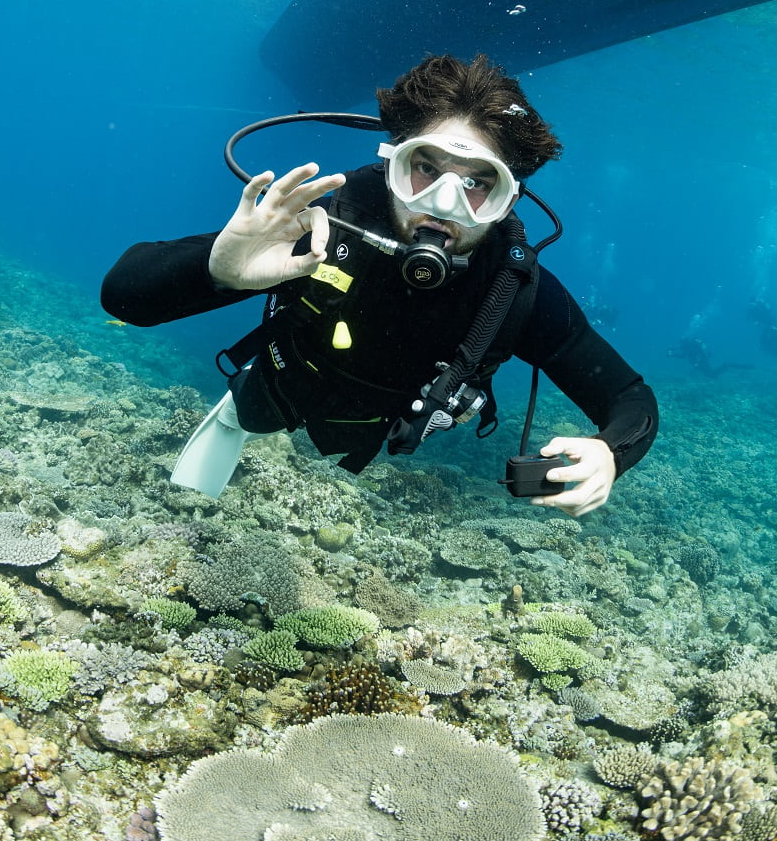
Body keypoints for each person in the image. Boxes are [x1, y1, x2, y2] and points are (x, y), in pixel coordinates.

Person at [101, 54, 658, 516]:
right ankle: (232, 415)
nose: (442, 206)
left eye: (478, 184)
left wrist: (612, 453)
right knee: (249, 414)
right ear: (391, 163)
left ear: (507, 199)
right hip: (284, 387)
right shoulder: (322, 232)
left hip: (390, 429)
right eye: (424, 169)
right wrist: (216, 270)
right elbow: (122, 295)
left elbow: (629, 399)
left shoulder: (515, 290)